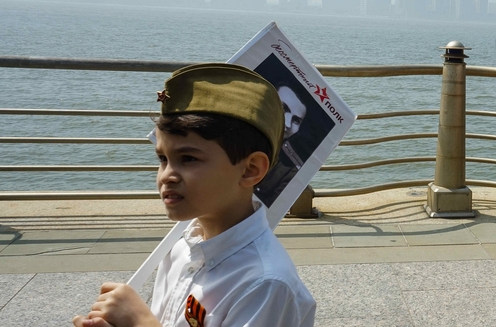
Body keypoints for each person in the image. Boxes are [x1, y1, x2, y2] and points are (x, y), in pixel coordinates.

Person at [72, 63, 317, 327]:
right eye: (163, 158)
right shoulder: (181, 247)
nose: (167, 175)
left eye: (188, 158)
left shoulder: (266, 283)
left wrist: (140, 322)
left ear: (250, 170)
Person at [255, 83, 308, 207]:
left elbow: (269, 213)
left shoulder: (290, 172)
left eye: (296, 120)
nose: (288, 124)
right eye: (284, 108)